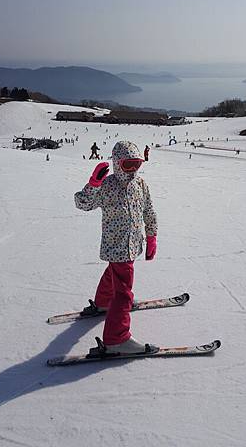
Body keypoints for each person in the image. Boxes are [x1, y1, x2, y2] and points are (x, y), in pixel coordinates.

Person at [74, 140, 158, 355]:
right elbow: (83, 203)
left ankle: (103, 303)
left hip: (132, 244)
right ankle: (116, 339)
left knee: (113, 274)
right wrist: (93, 184)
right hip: (115, 245)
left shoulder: (140, 185)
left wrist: (151, 236)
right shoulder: (107, 185)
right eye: (127, 165)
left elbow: (148, 210)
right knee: (123, 294)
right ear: (117, 163)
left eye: (137, 165)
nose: (132, 170)